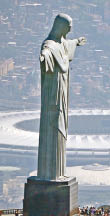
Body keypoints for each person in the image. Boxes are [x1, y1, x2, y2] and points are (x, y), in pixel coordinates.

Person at [37, 13, 86, 180]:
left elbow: (66, 46)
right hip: (53, 93)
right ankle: (50, 174)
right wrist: (44, 57)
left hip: (63, 92)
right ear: (60, 27)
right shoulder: (49, 45)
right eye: (67, 27)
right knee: (52, 126)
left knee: (61, 126)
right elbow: (48, 50)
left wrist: (76, 42)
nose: (70, 30)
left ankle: (59, 173)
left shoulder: (62, 43)